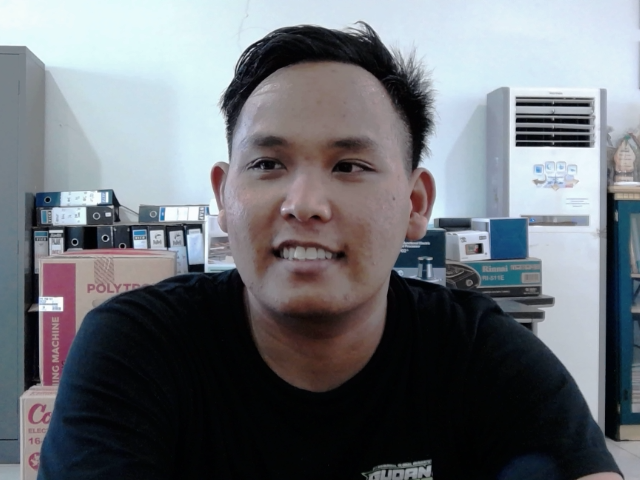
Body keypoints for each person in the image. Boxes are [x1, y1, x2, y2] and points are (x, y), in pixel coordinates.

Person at [39, 23, 622, 479]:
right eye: (267, 164)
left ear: (415, 203)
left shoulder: (481, 355)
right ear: (223, 197)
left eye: (350, 166)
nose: (304, 204)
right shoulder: (137, 348)